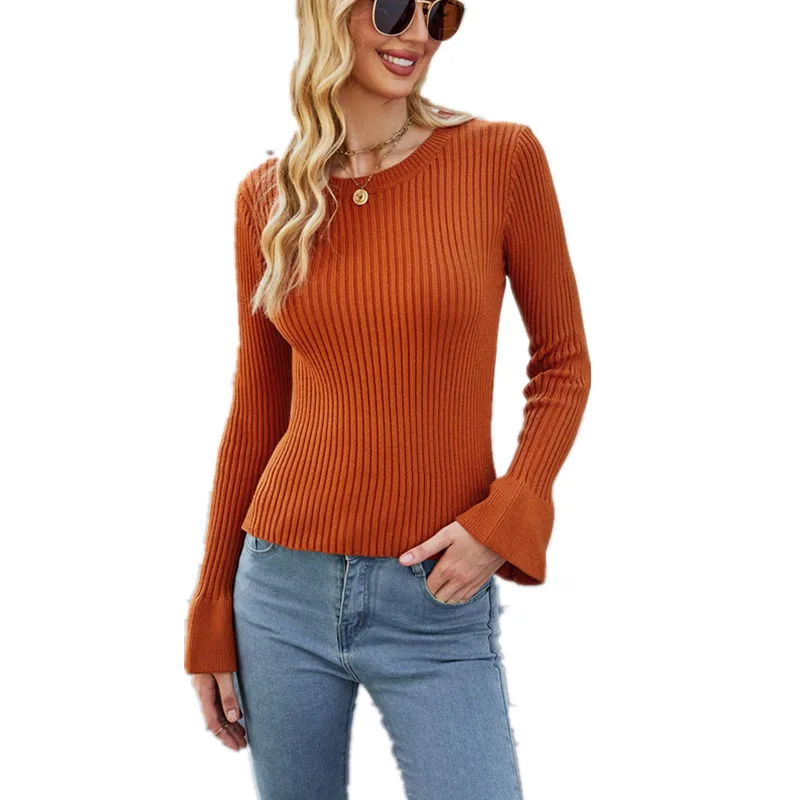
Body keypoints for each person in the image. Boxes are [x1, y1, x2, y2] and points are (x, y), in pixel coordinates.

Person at [184, 1, 591, 797]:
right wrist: (211, 605)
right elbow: (258, 412)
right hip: (280, 592)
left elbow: (563, 364)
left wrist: (505, 518)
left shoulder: (500, 159)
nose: (418, 34)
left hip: (436, 596)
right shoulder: (268, 197)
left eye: (440, 15)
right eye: (396, 8)